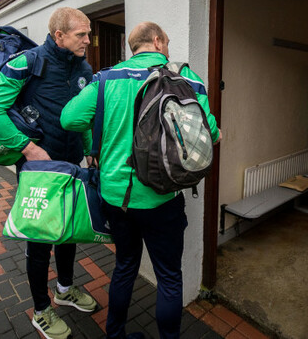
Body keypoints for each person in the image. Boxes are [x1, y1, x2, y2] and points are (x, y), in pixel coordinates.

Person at [61, 22, 222, 339]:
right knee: (169, 277)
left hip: (116, 197)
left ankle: (115, 334)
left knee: (124, 267)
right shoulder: (186, 78)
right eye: (167, 42)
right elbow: (211, 134)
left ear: (132, 47)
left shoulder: (106, 79)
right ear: (159, 41)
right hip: (163, 198)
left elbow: (70, 118)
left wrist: (93, 145)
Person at [0, 7, 97, 339]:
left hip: (72, 166)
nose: (88, 40)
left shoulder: (84, 67)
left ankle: (65, 289)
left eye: (88, 34)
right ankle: (41, 310)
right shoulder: (27, 63)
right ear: (59, 36)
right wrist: (28, 148)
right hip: (39, 169)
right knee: (41, 240)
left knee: (70, 230)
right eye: (81, 34)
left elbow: (81, 115)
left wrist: (89, 150)